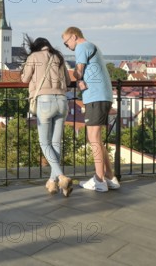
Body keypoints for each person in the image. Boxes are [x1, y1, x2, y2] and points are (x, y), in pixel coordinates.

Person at [62, 27, 120, 192]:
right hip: (102, 95)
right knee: (97, 140)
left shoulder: (82, 47)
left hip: (96, 96)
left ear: (74, 36)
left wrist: (77, 78)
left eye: (66, 43)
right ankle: (109, 177)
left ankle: (99, 180)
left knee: (93, 138)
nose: (67, 47)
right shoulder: (92, 46)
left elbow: (78, 71)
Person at [21, 36, 73, 197]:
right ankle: (53, 183)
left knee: (44, 143)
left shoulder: (33, 57)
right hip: (62, 101)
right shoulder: (59, 57)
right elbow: (69, 81)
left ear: (36, 47)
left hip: (44, 102)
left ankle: (61, 177)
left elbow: (25, 78)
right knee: (56, 142)